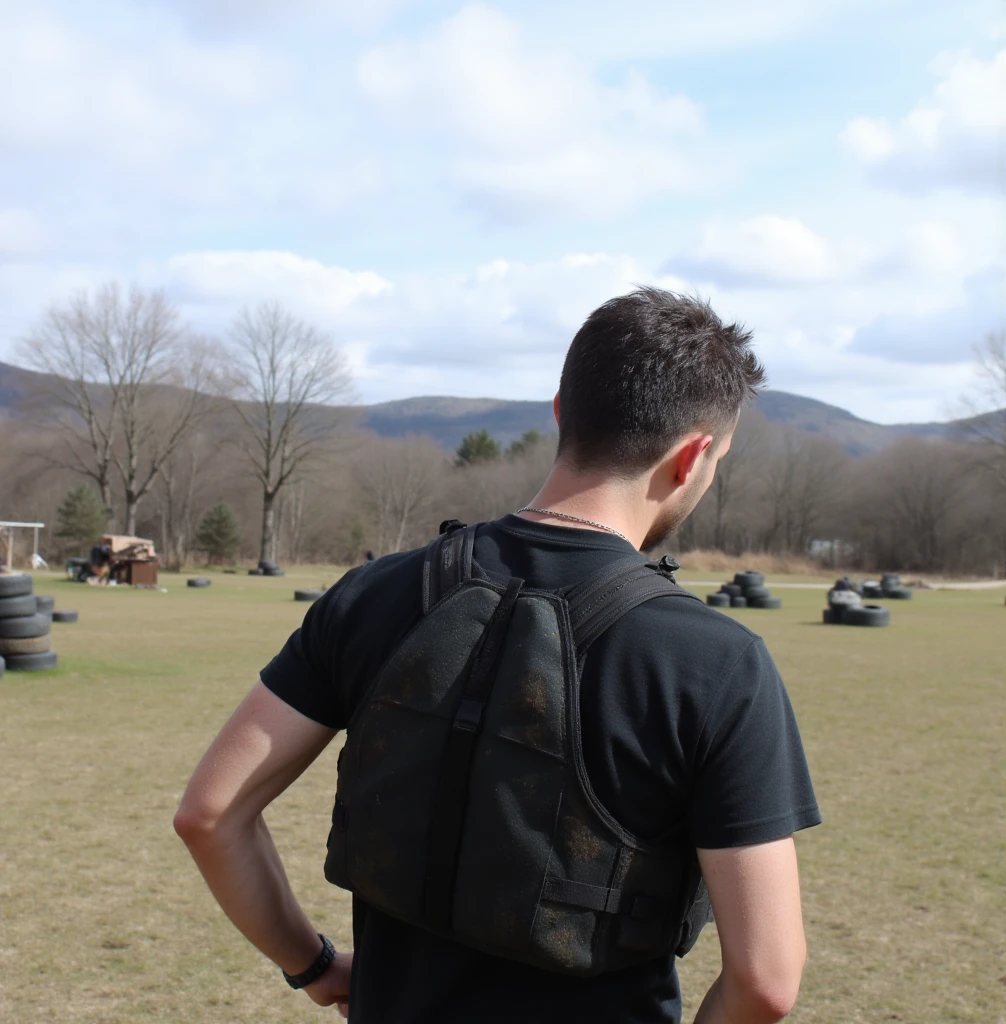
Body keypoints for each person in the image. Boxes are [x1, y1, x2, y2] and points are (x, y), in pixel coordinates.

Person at [175, 288, 821, 1024]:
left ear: (559, 411)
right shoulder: (717, 663)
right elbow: (768, 980)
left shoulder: (376, 593)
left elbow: (209, 814)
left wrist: (314, 966)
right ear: (694, 456)